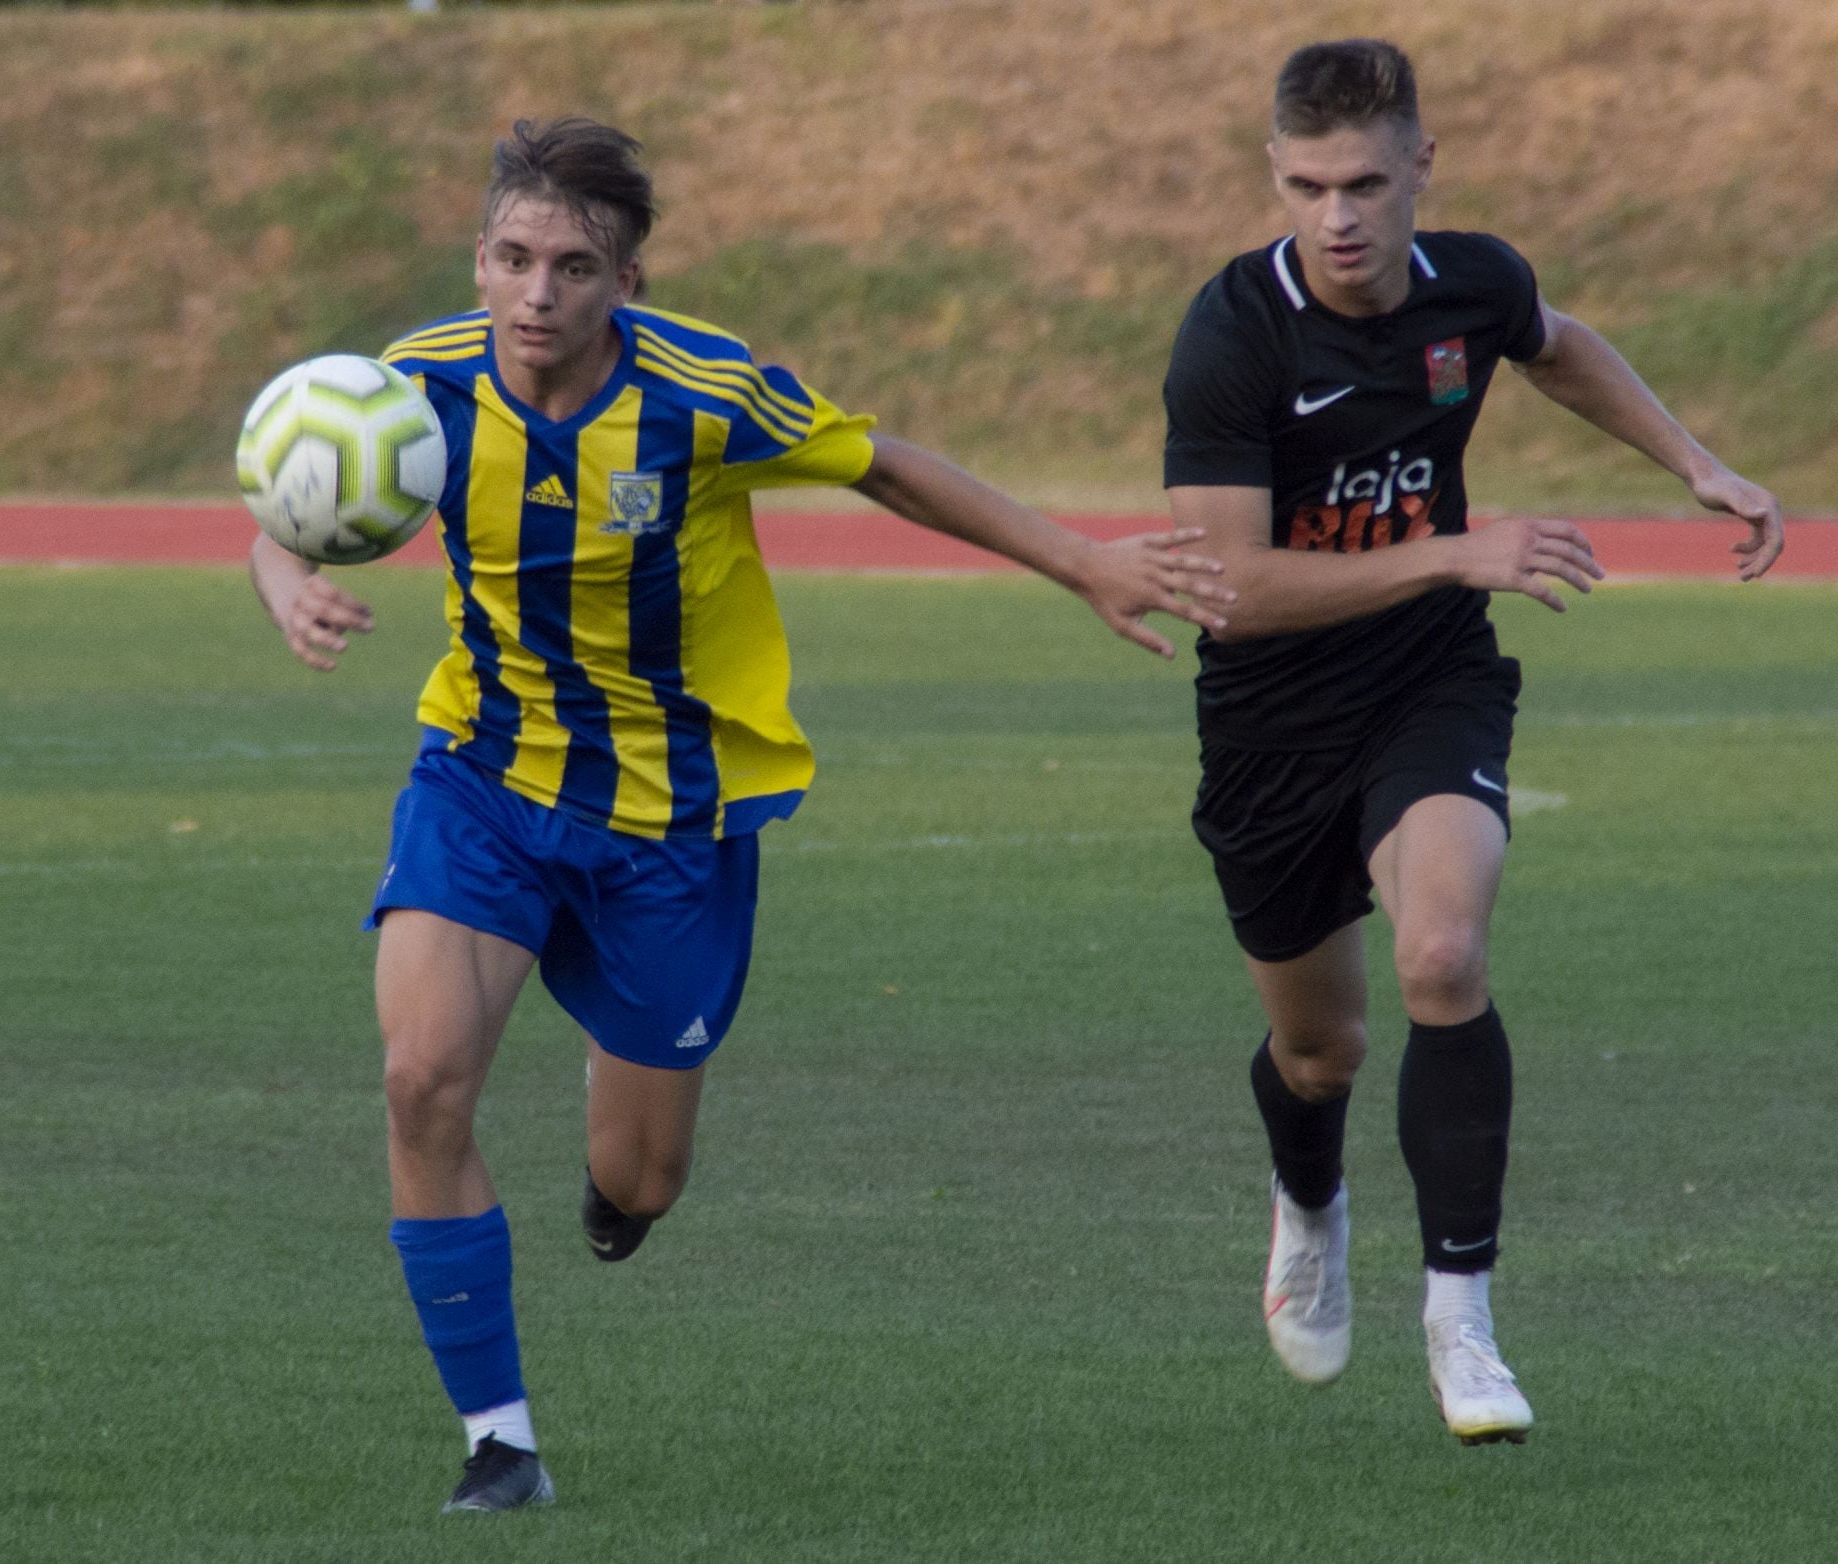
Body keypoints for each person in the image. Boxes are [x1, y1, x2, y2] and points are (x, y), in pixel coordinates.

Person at [250, 117, 1231, 1514]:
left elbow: (884, 464)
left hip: (672, 825)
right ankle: (499, 1443)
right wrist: (285, 580)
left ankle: (619, 1177)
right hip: (484, 780)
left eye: (573, 268)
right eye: (515, 260)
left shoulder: (703, 392)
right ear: (479, 261)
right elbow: (296, 495)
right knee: (421, 1080)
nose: (538, 294)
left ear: (625, 281)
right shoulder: (412, 387)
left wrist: (1081, 563)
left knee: (642, 1181)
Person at [1162, 39, 1782, 1445]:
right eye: (1308, 187)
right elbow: (1231, 592)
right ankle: (1309, 1199)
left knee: (1443, 955)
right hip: (1270, 721)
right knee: (1319, 1052)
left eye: (1366, 184)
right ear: (1276, 176)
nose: (1338, 217)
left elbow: (1555, 345)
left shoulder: (1473, 282)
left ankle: (1462, 1320)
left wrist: (1697, 463)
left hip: (1428, 679)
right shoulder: (1234, 336)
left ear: (1420, 169)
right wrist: (1453, 550)